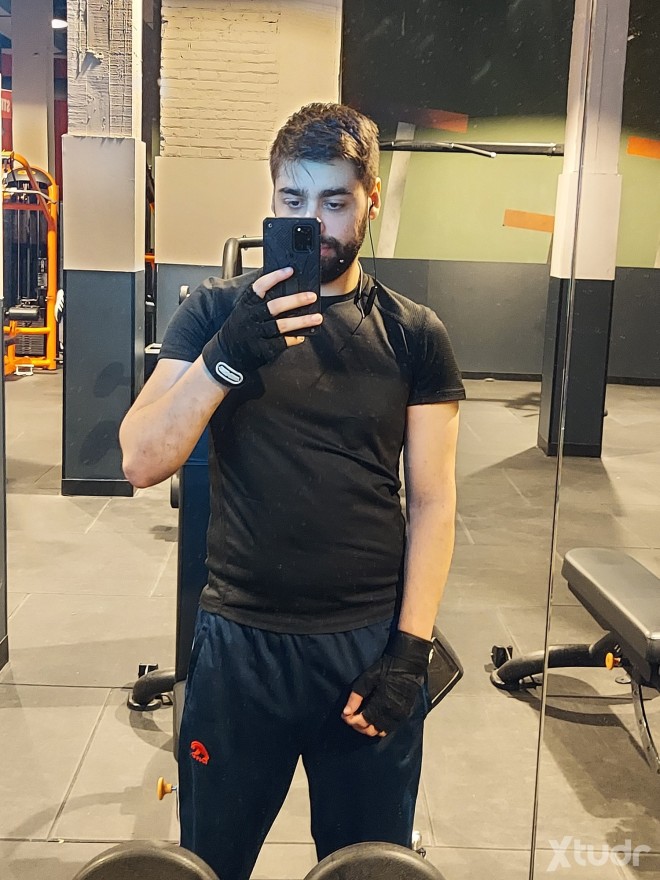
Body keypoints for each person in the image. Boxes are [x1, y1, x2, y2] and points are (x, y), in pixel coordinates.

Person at [119, 103, 465, 880]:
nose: (314, 222)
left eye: (335, 201)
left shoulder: (414, 333)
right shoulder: (217, 313)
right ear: (273, 199)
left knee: (365, 868)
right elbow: (140, 460)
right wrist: (225, 357)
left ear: (371, 199)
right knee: (210, 863)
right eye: (293, 200)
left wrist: (410, 651)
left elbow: (434, 503)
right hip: (240, 645)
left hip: (365, 646)